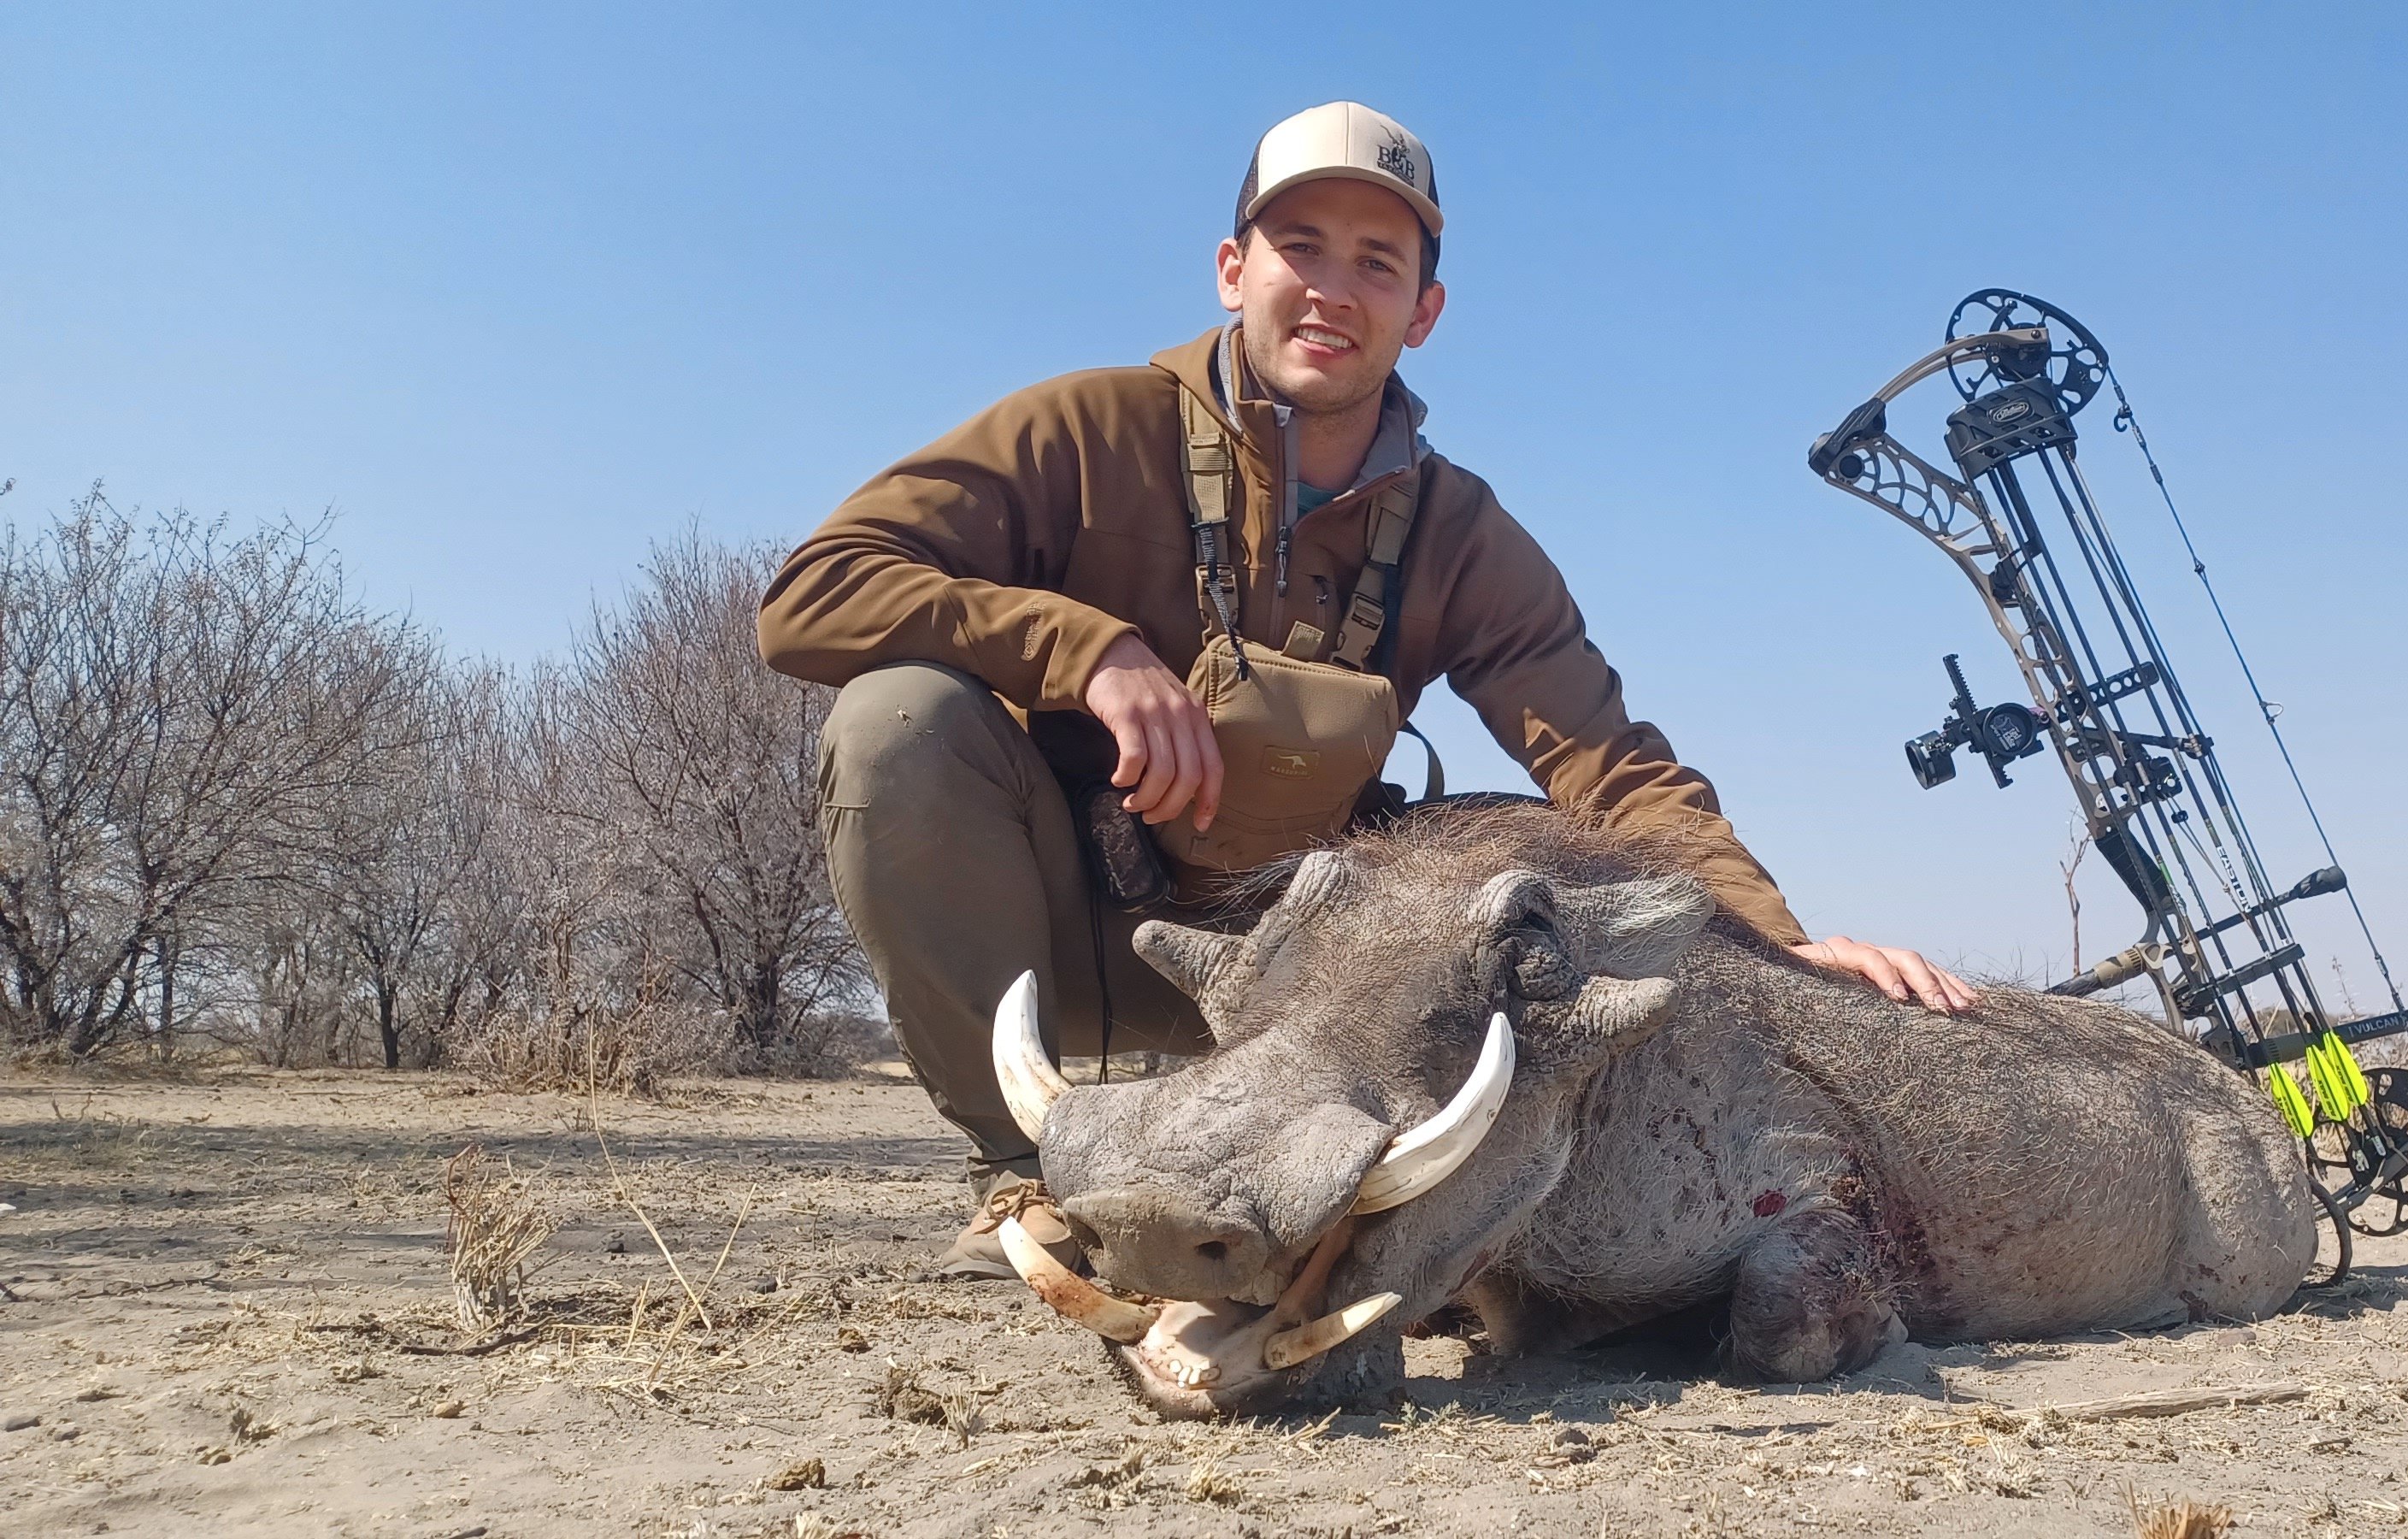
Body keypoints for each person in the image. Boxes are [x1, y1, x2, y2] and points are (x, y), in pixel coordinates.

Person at [757, 101, 1975, 1278]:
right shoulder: (1087, 427)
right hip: (1070, 933)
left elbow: (1611, 769)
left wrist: (1779, 945)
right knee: (898, 723)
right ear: (1234, 268)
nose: (1333, 289)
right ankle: (1016, 1174)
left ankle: (1381, 1199)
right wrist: (1086, 652)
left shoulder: (1461, 531)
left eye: (1378, 263)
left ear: (1423, 311)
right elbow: (813, 595)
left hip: (1308, 978)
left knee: (1510, 850)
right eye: (1301, 246)